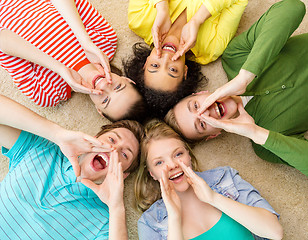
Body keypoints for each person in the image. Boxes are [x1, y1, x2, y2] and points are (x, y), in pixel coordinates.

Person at [165, 0, 308, 182]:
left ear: (200, 94)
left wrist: (245, 76)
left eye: (195, 106)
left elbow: (293, 8)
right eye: (202, 124)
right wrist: (256, 133)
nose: (205, 112)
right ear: (213, 135)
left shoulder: (234, 57)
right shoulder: (264, 144)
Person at [0, 94, 144, 239]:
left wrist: (116, 207)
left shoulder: (103, 223)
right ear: (94, 139)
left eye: (125, 154)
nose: (114, 149)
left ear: (124, 174)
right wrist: (57, 134)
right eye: (111, 139)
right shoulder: (42, 147)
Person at [0, 0, 147, 122]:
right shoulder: (105, 41)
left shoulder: (48, 94)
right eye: (117, 87)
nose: (103, 85)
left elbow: (3, 39)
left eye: (105, 101)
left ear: (99, 111)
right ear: (128, 80)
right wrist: (85, 41)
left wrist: (59, 68)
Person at [135, 121, 283, 240]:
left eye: (178, 154)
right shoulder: (150, 223)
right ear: (152, 174)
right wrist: (174, 217)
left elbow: (275, 232)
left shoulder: (225, 178)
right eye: (159, 163)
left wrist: (213, 198)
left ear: (189, 156)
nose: (172, 165)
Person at [125, 0, 247, 117]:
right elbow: (239, 1)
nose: (166, 57)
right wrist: (198, 19)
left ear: (145, 63)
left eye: (155, 65)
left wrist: (162, 8)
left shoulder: (138, 20)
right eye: (173, 70)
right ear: (185, 72)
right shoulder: (211, 48)